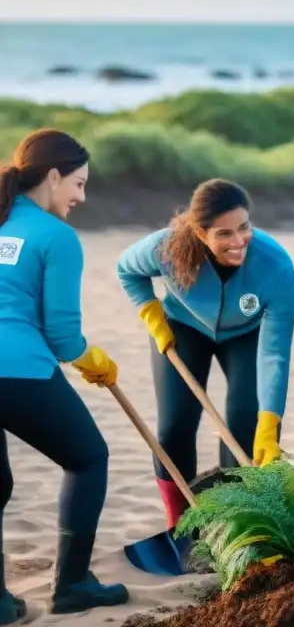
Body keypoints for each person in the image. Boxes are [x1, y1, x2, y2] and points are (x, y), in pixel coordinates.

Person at [115, 179, 294, 530]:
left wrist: (270, 420)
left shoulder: (276, 266)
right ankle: (179, 523)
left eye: (244, 228)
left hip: (246, 334)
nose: (238, 241)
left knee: (246, 421)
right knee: (174, 427)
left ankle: (234, 520)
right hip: (184, 328)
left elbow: (275, 352)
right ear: (201, 233)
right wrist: (151, 313)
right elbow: (127, 270)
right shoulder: (165, 248)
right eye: (224, 234)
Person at [0, 128, 129, 621]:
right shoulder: (56, 236)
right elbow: (61, 336)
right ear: (52, 177)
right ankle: (72, 585)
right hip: (18, 370)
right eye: (77, 183)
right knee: (88, 457)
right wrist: (91, 359)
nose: (82, 196)